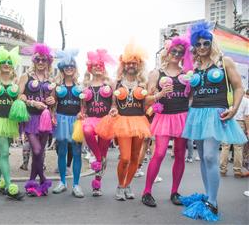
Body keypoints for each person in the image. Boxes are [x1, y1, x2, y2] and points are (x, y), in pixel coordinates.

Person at [180, 21, 247, 221]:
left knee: (210, 156)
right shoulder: (196, 66)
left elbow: (239, 88)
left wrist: (234, 109)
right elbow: (191, 92)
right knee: (202, 156)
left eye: (205, 43)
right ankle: (209, 196)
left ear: (211, 43)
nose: (202, 47)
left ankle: (213, 202)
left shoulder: (223, 62)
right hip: (197, 113)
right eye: (198, 44)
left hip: (216, 113)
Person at [142, 35, 193, 207]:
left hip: (182, 116)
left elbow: (192, 96)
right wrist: (160, 94)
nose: (177, 54)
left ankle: (174, 192)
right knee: (160, 153)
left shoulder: (187, 74)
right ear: (167, 51)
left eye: (180, 52)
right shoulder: (156, 73)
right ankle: (147, 192)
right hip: (164, 117)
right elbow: (146, 100)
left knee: (180, 154)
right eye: (174, 50)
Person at [97, 42, 151, 201]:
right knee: (125, 157)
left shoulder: (144, 83)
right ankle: (120, 185)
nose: (131, 65)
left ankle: (127, 185)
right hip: (122, 122)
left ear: (139, 64)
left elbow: (147, 102)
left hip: (140, 121)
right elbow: (113, 103)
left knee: (135, 157)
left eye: (134, 63)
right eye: (128, 63)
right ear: (124, 65)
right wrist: (113, 109)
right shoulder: (116, 83)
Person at [0, 46, 25, 200]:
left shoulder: (15, 81)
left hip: (10, 121)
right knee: (4, 152)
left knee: (1, 153)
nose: (6, 64)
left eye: (9, 61)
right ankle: (9, 186)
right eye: (3, 61)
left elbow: (19, 98)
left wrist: (21, 98)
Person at [19, 43, 55, 197]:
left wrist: (53, 101)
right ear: (33, 60)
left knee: (41, 154)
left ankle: (32, 184)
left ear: (48, 62)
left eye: (44, 60)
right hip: (30, 118)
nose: (41, 62)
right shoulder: (25, 76)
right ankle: (43, 180)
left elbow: (53, 100)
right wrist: (32, 103)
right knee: (37, 150)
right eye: (38, 60)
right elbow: (19, 96)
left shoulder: (51, 79)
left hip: (45, 120)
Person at [81, 49, 115, 197]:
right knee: (87, 131)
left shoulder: (110, 83)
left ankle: (97, 184)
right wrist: (81, 112)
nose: (98, 67)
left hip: (105, 120)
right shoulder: (86, 85)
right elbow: (82, 106)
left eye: (100, 64)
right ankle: (97, 157)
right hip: (91, 119)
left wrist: (113, 109)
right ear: (90, 67)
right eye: (95, 65)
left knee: (104, 151)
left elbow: (114, 104)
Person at [51, 49, 84, 198]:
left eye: (71, 66)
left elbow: (84, 105)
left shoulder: (81, 85)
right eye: (66, 66)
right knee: (62, 151)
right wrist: (52, 114)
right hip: (62, 119)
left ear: (75, 68)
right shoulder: (56, 85)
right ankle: (62, 182)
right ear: (62, 68)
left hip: (76, 122)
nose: (69, 68)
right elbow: (53, 104)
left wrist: (82, 112)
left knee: (77, 152)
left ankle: (76, 185)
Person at [220, 88, 249, 177]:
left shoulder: (229, 98)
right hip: (240, 123)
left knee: (225, 146)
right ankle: (237, 171)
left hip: (228, 121)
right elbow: (246, 117)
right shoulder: (246, 101)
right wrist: (248, 129)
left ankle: (223, 169)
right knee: (238, 147)